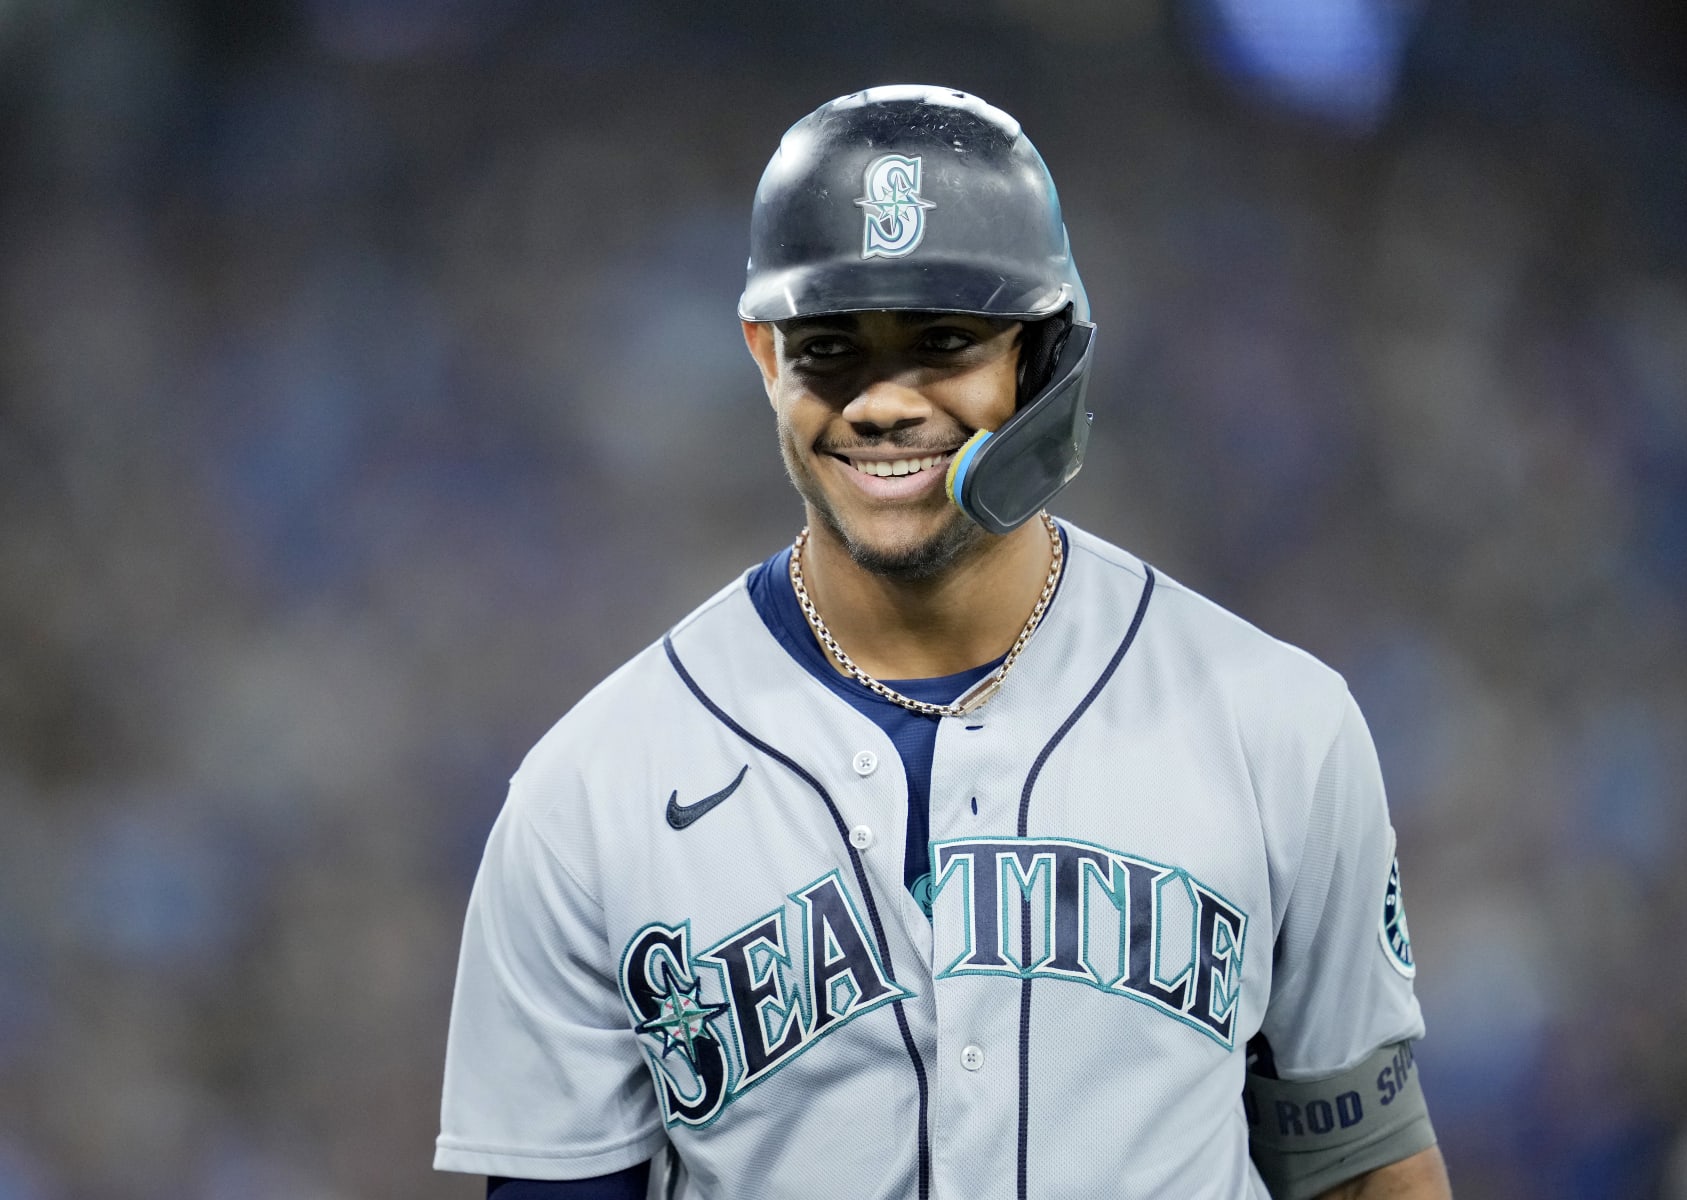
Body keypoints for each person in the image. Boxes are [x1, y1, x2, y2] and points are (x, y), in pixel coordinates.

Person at [435, 84, 1452, 1200]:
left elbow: (1360, 1172)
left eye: (944, 341)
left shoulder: (1278, 727)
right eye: (831, 346)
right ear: (764, 354)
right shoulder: (589, 796)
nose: (882, 402)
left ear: (1041, 354)